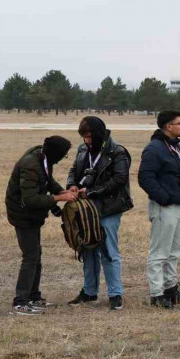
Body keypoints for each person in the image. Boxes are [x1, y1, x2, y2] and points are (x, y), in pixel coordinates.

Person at [66, 117, 133, 310]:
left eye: (88, 137)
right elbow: (73, 170)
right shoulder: (82, 149)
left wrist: (92, 191)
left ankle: (115, 294)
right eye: (83, 137)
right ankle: (89, 291)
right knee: (87, 248)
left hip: (109, 208)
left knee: (108, 251)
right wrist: (72, 184)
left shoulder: (117, 152)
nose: (86, 141)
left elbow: (119, 179)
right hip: (85, 207)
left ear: (98, 134)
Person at [5, 136, 77, 315]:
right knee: (30, 257)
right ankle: (21, 301)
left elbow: (47, 180)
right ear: (56, 154)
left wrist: (62, 191)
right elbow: (29, 199)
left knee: (36, 255)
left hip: (32, 216)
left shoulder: (43, 158)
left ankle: (34, 296)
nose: (62, 159)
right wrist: (60, 198)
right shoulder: (30, 164)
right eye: (63, 156)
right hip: (23, 215)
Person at [139, 110, 180, 309]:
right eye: (179, 123)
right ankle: (157, 293)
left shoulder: (175, 147)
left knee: (175, 250)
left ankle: (170, 287)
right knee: (159, 252)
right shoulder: (154, 149)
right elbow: (145, 178)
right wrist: (165, 198)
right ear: (168, 127)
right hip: (165, 207)